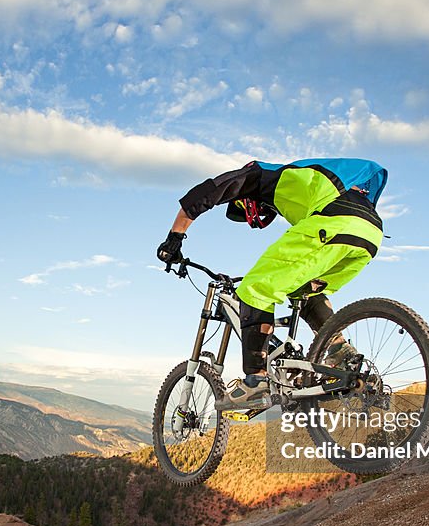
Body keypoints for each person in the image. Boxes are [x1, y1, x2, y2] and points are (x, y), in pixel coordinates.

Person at [156, 158, 387, 409]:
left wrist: (174, 237)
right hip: (369, 237)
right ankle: (341, 353)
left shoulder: (258, 174)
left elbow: (208, 191)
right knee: (303, 291)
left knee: (255, 289)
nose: (254, 218)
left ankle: (256, 381)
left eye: (245, 212)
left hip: (333, 222)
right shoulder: (300, 184)